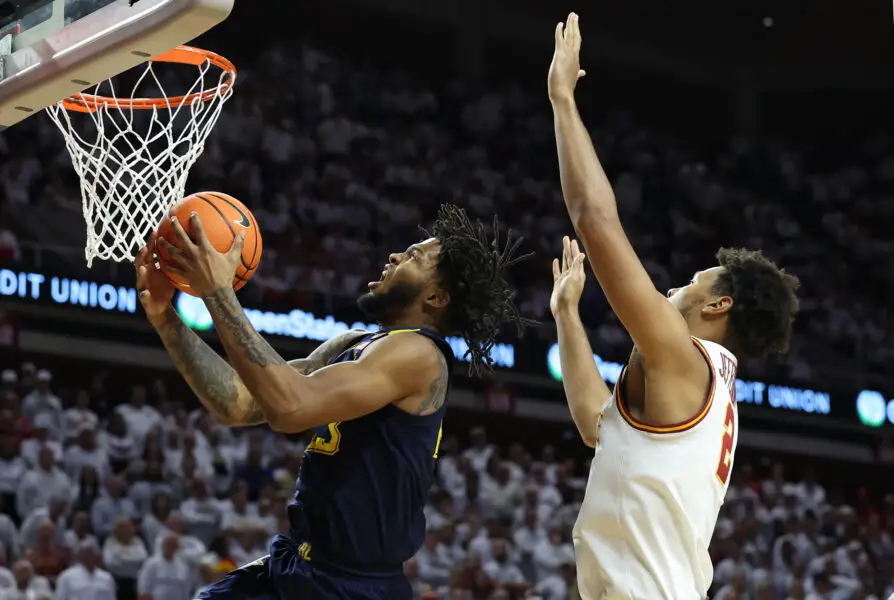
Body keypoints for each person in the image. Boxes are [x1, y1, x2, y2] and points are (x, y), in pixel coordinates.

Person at [134, 203, 530, 599]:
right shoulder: (353, 344)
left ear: (437, 297)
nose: (394, 255)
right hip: (299, 564)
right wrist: (166, 318)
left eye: (414, 257)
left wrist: (219, 292)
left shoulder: (421, 356)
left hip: (354, 586)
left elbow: (291, 408)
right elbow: (238, 404)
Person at [547, 13, 800, 600]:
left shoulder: (686, 361)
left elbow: (594, 217)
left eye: (691, 281)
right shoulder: (699, 384)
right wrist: (567, 317)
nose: (671, 289)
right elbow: (594, 424)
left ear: (718, 306)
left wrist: (562, 100)